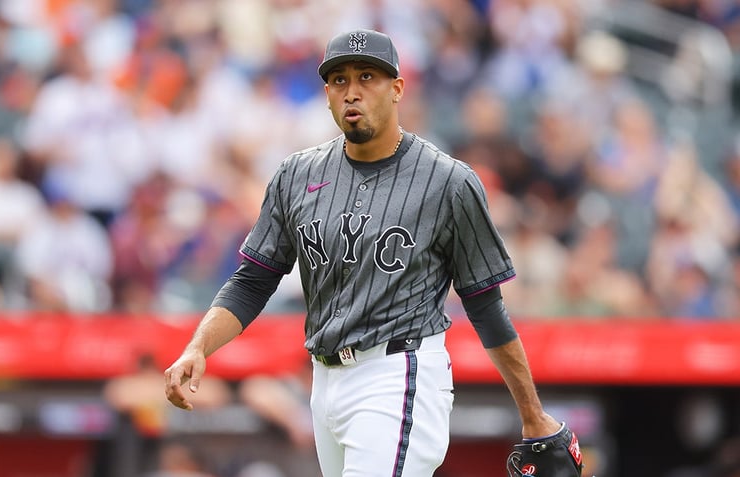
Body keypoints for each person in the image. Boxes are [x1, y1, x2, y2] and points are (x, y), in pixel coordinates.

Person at [164, 29, 563, 477]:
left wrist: (532, 413)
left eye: (367, 76)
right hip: (324, 380)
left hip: (399, 372)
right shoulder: (296, 175)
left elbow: (486, 306)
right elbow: (253, 280)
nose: (351, 91)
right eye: (339, 80)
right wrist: (198, 347)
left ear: (397, 89)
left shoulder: (449, 182)